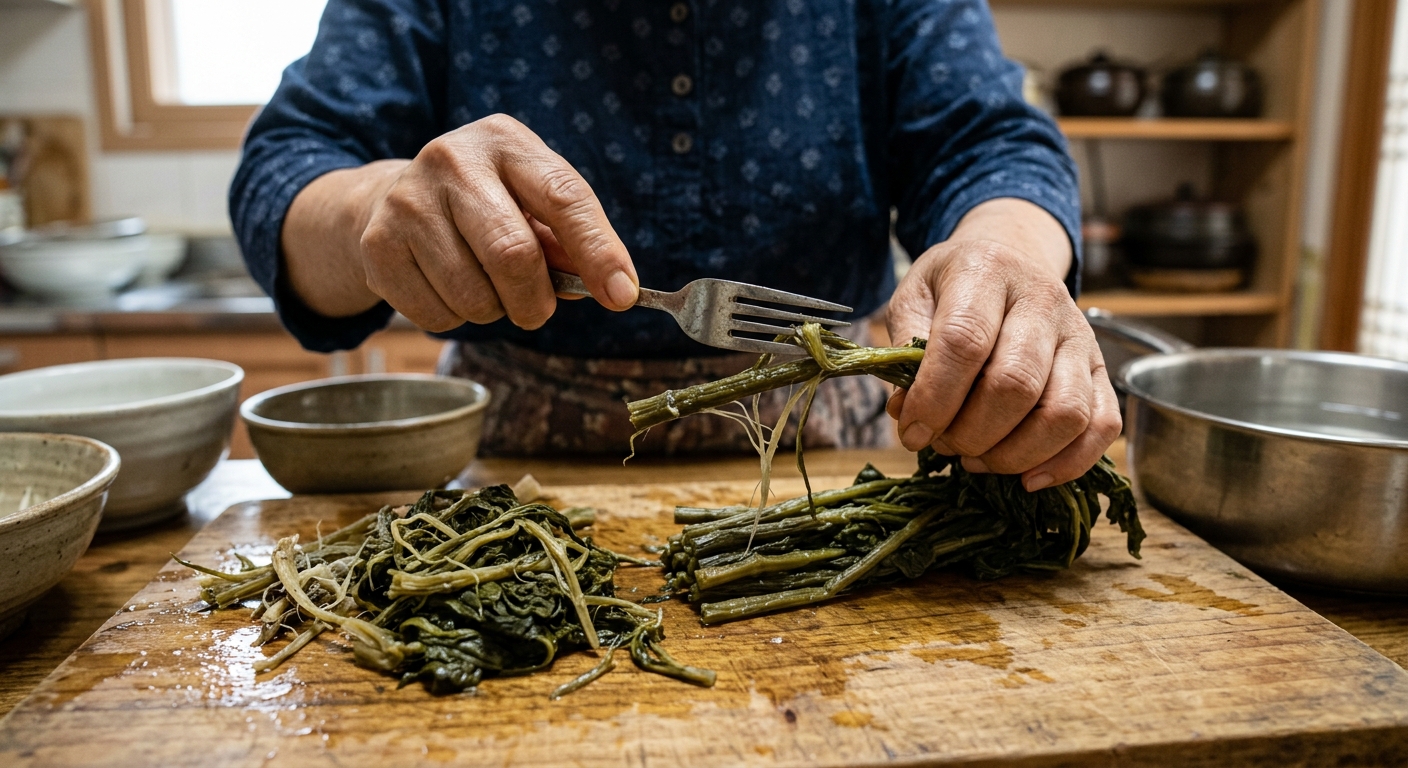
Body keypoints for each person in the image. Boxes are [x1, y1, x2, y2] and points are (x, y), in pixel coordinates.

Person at [230, 0, 1121, 492]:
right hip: (508, 472)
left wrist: (1011, 250)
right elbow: (288, 164)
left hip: (835, 459)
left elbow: (992, 139)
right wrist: (371, 207)